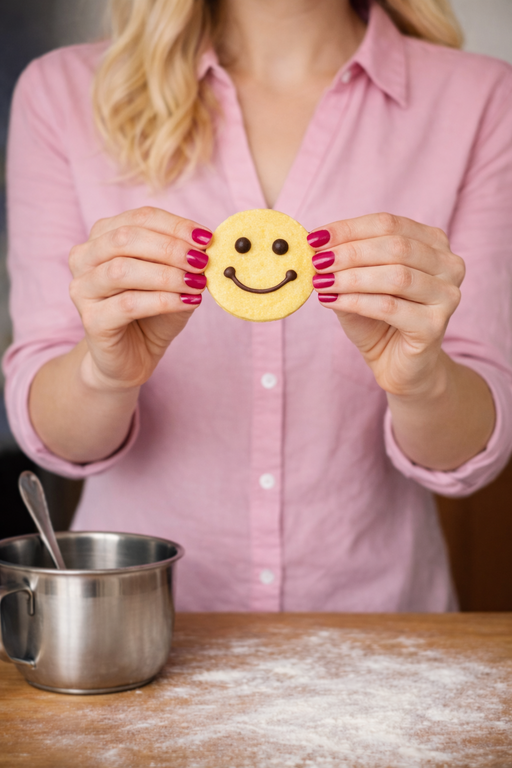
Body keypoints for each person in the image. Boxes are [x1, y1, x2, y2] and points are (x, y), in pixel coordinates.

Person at [4, 0, 512, 611]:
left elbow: (471, 450)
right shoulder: (61, 94)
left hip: (379, 633)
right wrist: (103, 371)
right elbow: (54, 436)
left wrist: (422, 379)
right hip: (142, 630)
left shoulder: (483, 100)